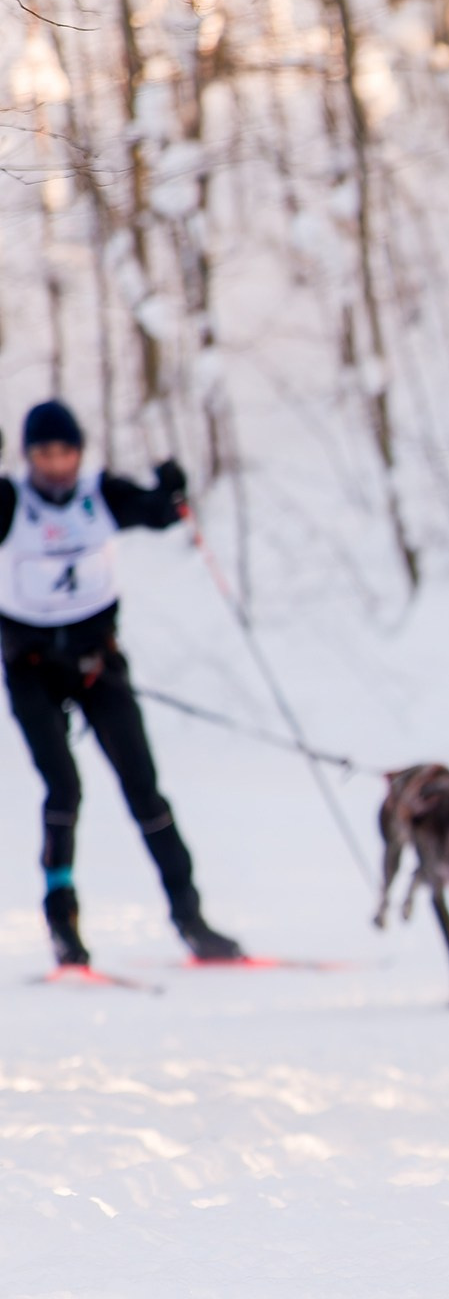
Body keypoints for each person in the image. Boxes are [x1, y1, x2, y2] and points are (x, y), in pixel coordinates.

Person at [1, 400, 242, 966]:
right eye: (44, 453)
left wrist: (173, 489)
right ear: (29, 455)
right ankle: (64, 928)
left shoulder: (99, 495)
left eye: (64, 452)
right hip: (31, 669)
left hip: (97, 665)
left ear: (79, 452)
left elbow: (161, 513)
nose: (55, 464)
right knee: (63, 790)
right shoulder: (12, 503)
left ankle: (191, 918)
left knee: (144, 789)